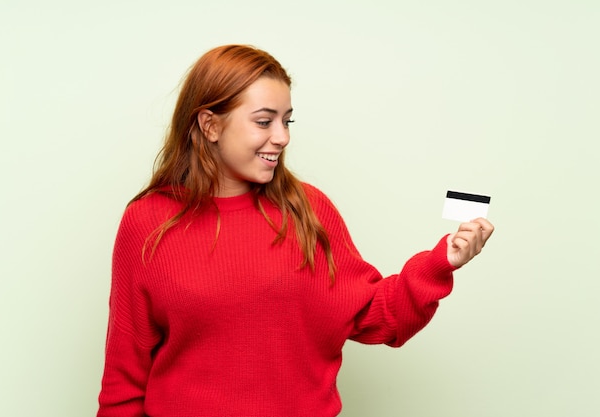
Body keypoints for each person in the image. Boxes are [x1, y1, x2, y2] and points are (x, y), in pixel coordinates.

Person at [96, 44, 494, 417]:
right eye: (264, 121)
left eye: (287, 121)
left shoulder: (308, 209)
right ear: (210, 125)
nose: (282, 137)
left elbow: (376, 314)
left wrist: (443, 262)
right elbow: (124, 378)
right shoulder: (148, 223)